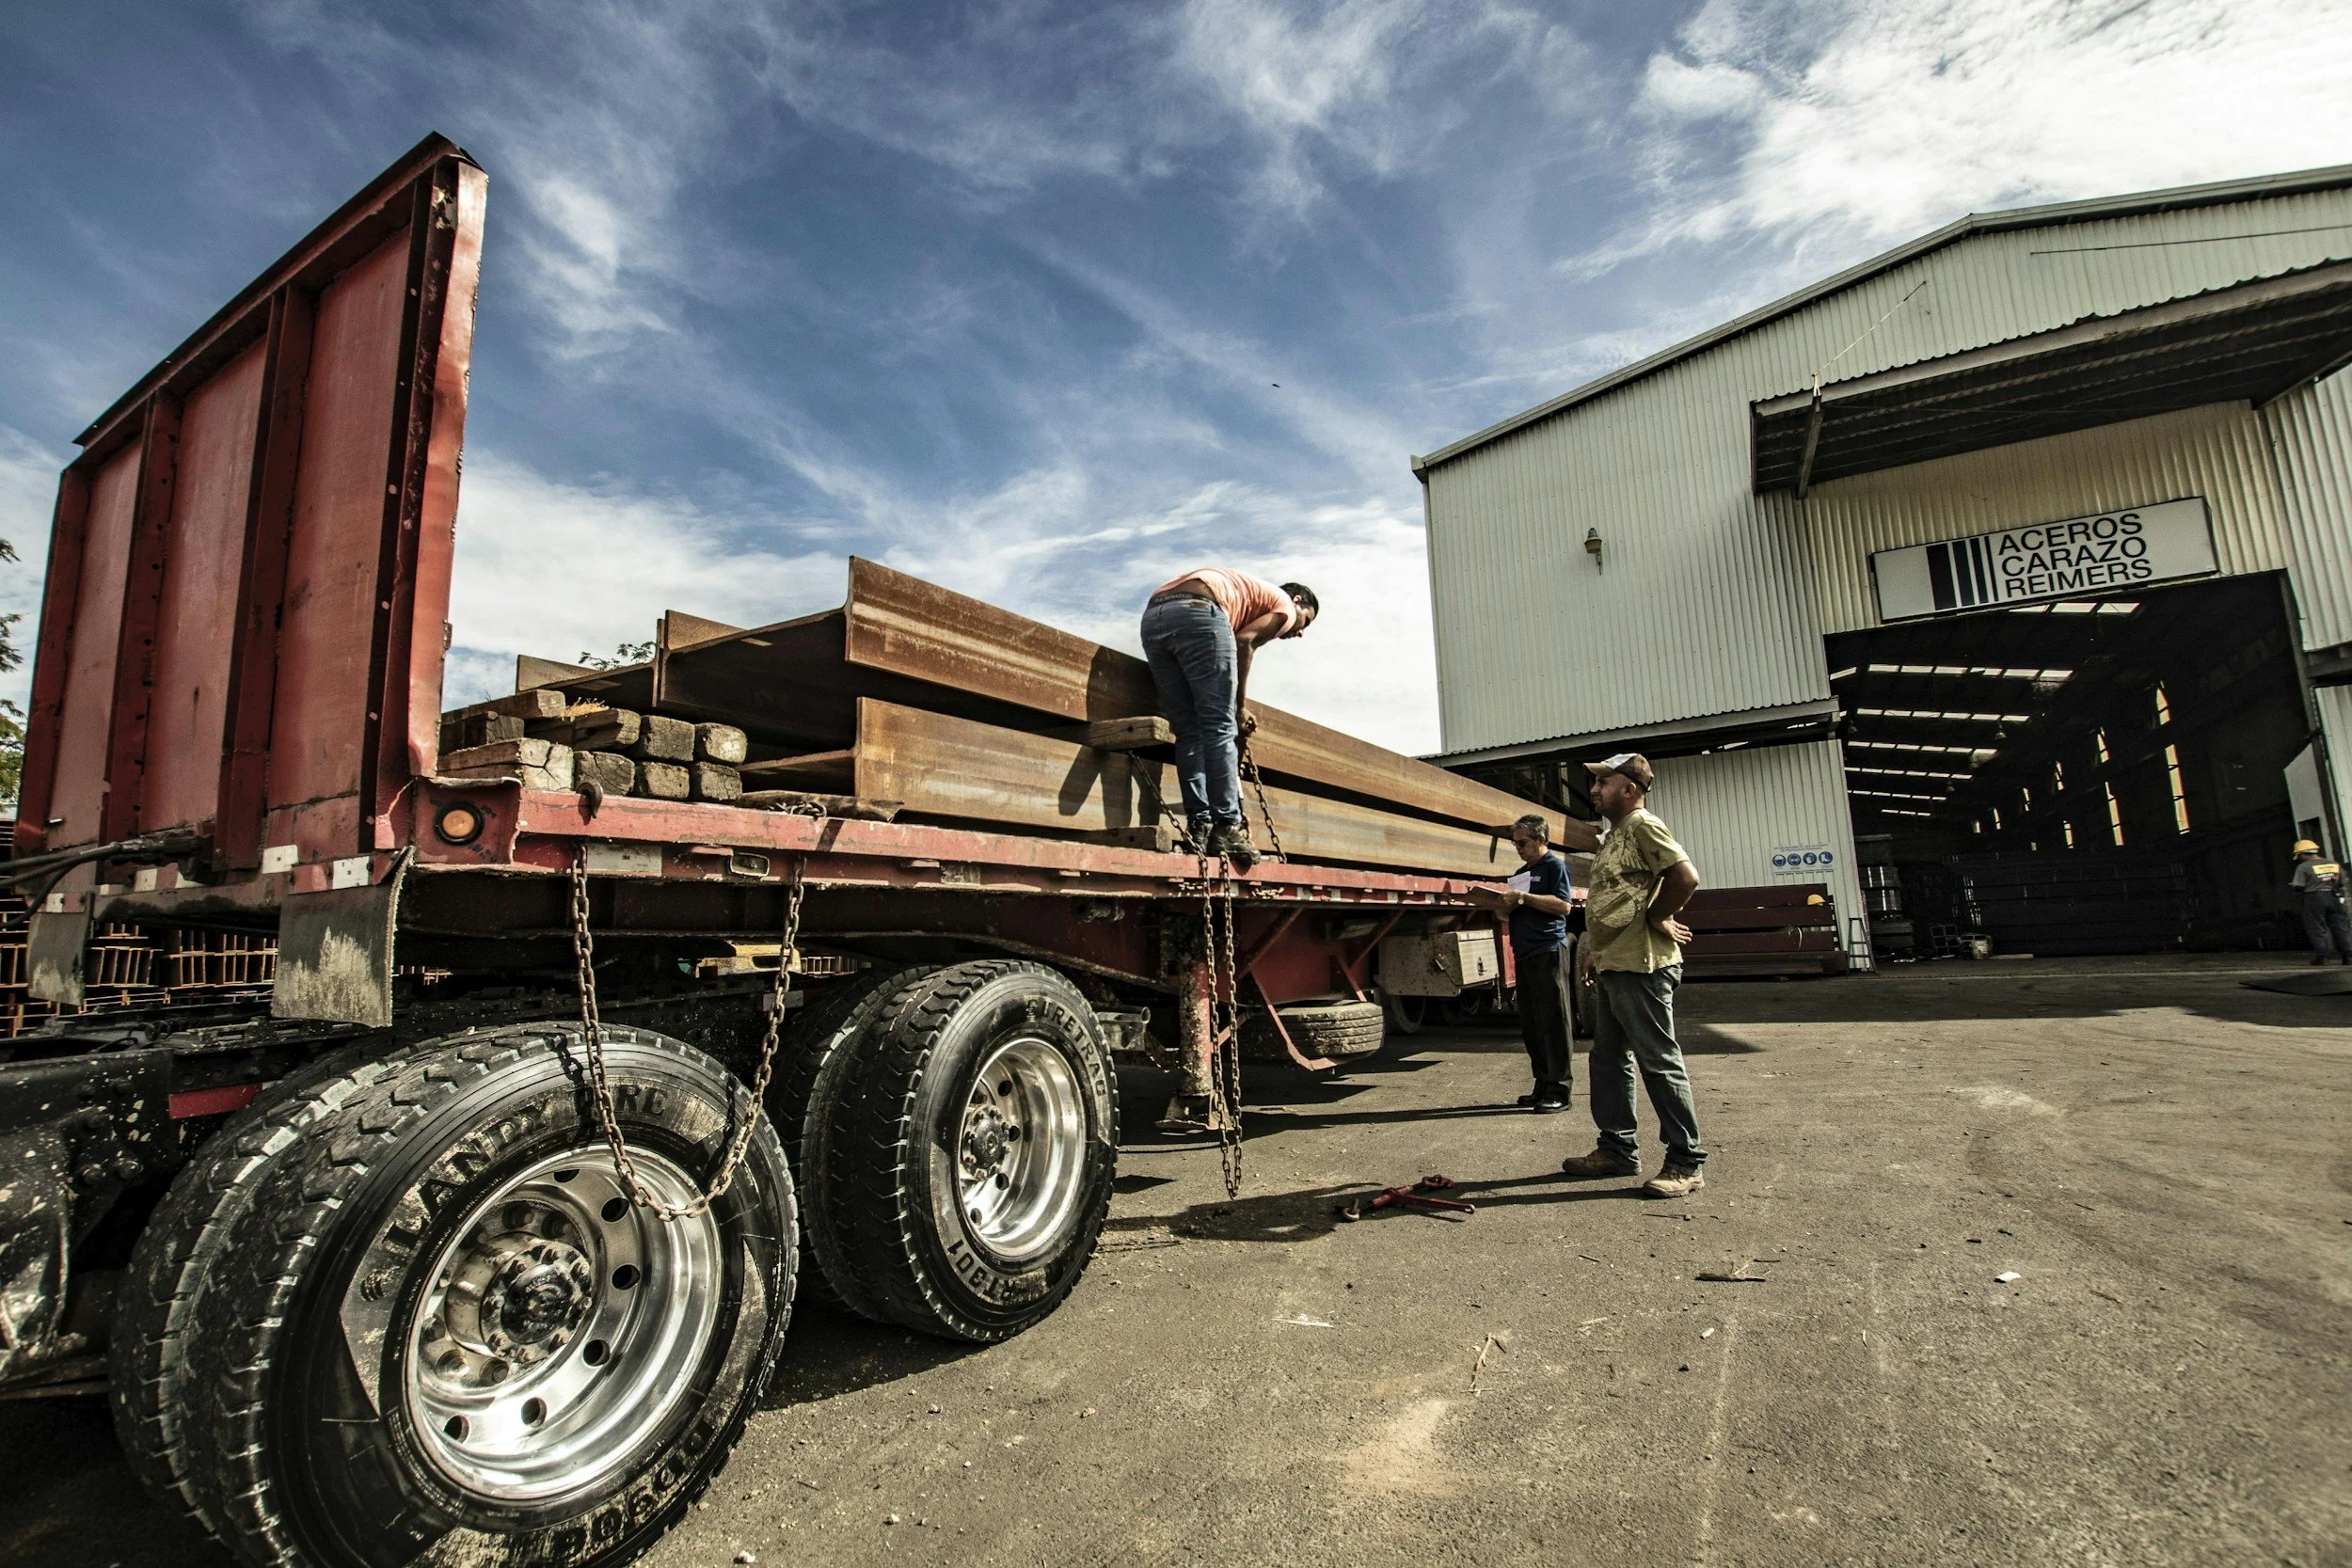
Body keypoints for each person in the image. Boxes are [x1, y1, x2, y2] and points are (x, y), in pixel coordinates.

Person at [1558, 752, 1708, 1198]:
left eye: (1605, 783)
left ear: (1630, 789)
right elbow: (1615, 899)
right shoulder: (1615, 835)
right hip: (1614, 963)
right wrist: (1596, 952)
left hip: (1642, 966)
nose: (1595, 790)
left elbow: (1685, 877)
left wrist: (1660, 915)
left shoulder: (1643, 825)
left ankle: (1686, 1162)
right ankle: (1617, 1150)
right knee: (1607, 1060)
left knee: (1658, 1061)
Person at [1139, 568, 1318, 867]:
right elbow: (1245, 640)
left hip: (1154, 617)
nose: (1300, 631)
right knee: (1221, 727)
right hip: (1200, 610)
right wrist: (1239, 707)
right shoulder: (1284, 607)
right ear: (1297, 600)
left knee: (1189, 731)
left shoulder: (1251, 595)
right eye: (1306, 621)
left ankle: (1200, 826)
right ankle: (1227, 827)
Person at [1481, 812, 1599, 1112]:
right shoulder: (1522, 872)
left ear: (1541, 839)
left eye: (1523, 842)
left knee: (1554, 1021)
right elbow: (1514, 909)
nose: (1518, 847)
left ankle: (1560, 1088)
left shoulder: (1554, 866)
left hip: (1548, 950)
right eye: (1514, 843)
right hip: (1525, 953)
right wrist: (1500, 908)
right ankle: (1543, 1083)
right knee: (1531, 1022)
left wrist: (1524, 898)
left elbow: (1563, 905)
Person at [2290, 838, 2350, 966]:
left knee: (2316, 927)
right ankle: (2348, 956)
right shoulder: (2334, 863)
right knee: (2341, 927)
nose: (2300, 858)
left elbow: (2299, 886)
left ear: (2303, 854)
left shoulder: (2303, 866)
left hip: (2314, 898)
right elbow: (2342, 882)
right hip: (2334, 897)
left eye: (2299, 855)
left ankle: (2323, 957)